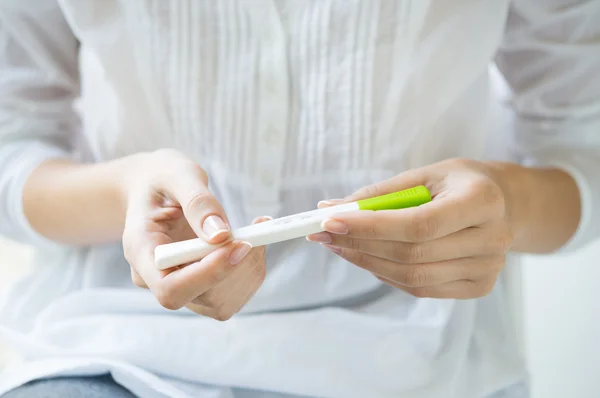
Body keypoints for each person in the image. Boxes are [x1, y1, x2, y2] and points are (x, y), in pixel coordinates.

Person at [0, 1, 598, 397]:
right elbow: (14, 140)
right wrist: (128, 196)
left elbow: (581, 145)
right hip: (112, 347)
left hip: (425, 359)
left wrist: (508, 205)